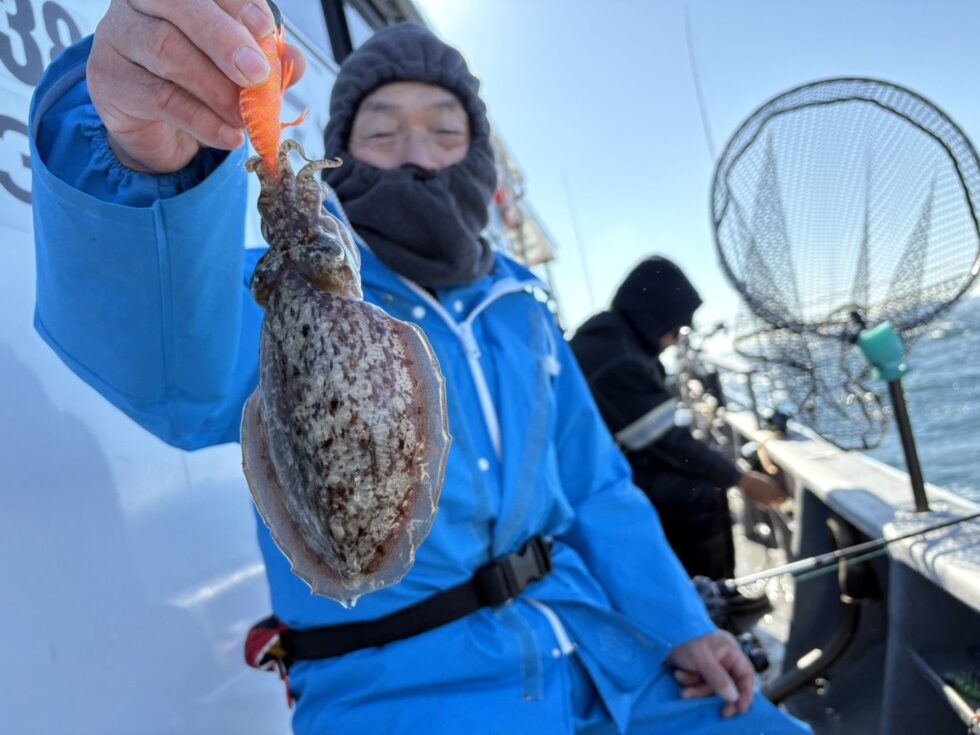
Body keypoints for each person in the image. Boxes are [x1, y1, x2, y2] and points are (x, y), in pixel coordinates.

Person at [29, 3, 807, 733]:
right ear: (344, 147)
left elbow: (596, 486)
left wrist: (681, 623)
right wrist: (137, 158)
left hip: (599, 650)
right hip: (398, 693)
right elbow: (170, 371)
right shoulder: (276, 289)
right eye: (382, 132)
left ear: (478, 154)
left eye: (444, 130)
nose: (416, 156)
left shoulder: (521, 309)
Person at [570, 257, 786, 581]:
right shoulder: (619, 360)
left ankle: (705, 591)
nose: (676, 338)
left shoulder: (611, 340)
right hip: (585, 487)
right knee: (699, 494)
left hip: (592, 469)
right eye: (675, 328)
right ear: (654, 318)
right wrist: (740, 479)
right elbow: (669, 443)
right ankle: (711, 601)